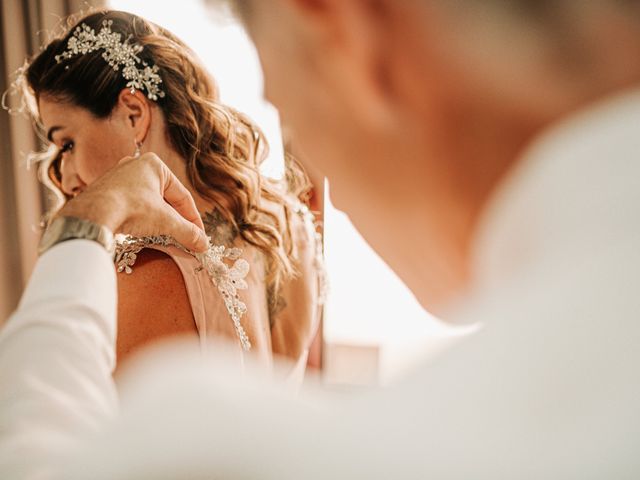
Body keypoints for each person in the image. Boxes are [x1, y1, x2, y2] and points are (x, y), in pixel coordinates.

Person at [2, 0, 640, 477]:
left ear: (343, 27)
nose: (64, 175)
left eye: (63, 143)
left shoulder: (146, 307)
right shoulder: (284, 236)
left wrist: (79, 231)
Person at [15, 9, 324, 374]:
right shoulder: (289, 228)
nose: (64, 179)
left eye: (67, 143)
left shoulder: (144, 274)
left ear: (133, 114)